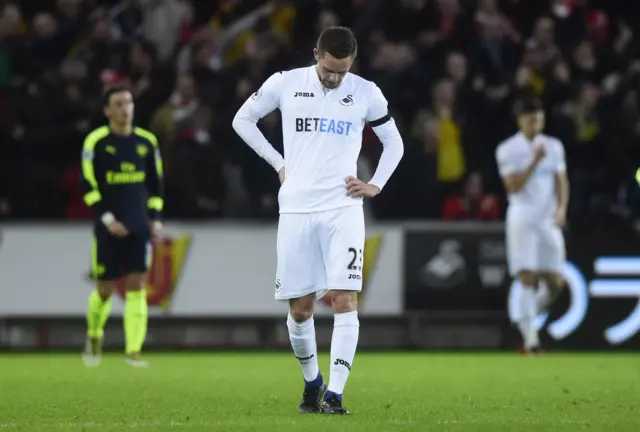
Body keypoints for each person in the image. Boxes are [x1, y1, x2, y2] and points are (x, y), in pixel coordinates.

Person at [232, 26, 404, 414]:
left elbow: (395, 142)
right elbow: (242, 120)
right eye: (329, 69)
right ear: (316, 54)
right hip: (296, 208)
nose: (334, 77)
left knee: (344, 298)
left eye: (342, 71)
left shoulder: (366, 92)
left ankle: (336, 395)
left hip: (342, 208)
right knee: (300, 309)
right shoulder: (286, 83)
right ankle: (312, 383)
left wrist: (375, 184)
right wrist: (279, 163)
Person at [80, 86, 164, 368]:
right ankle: (94, 335)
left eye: (128, 102)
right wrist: (107, 220)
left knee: (137, 285)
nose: (125, 108)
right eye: (118, 104)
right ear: (107, 111)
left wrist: (154, 217)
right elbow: (88, 185)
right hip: (107, 226)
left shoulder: (147, 142)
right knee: (104, 288)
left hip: (138, 223)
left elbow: (156, 184)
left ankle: (133, 351)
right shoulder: (96, 142)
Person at [495, 98, 569, 354]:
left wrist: (561, 210)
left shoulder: (554, 146)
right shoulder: (507, 149)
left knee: (556, 283)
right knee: (527, 276)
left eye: (539, 119)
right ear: (520, 121)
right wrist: (534, 162)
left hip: (548, 220)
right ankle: (531, 340)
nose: (535, 124)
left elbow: (561, 180)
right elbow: (513, 186)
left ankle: (522, 315)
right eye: (530, 119)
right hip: (522, 218)